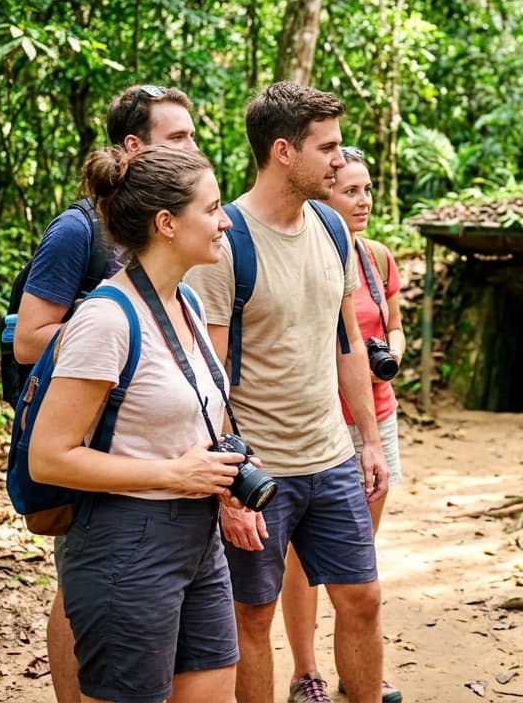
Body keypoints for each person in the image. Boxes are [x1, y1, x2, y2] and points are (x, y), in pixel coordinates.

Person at [184, 82, 390, 703]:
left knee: (363, 598)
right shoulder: (225, 245)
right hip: (261, 469)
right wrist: (229, 489)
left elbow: (347, 342)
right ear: (282, 151)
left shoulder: (331, 227)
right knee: (252, 617)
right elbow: (207, 376)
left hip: (330, 456)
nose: (339, 158)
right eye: (326, 147)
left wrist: (369, 441)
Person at [28, 144, 245, 703]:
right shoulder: (105, 319)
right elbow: (50, 456)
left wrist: (223, 475)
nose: (225, 221)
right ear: (167, 223)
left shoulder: (188, 304)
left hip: (198, 537)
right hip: (126, 543)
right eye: (213, 207)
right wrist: (175, 475)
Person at [13, 84, 199, 703]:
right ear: (133, 146)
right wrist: (121, 329)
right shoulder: (79, 231)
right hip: (89, 453)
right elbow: (29, 339)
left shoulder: (175, 252)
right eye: (178, 138)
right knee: (79, 592)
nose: (191, 146)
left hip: (152, 459)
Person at [278, 146, 405, 703]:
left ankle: (360, 669)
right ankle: (306, 672)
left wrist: (390, 355)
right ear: (323, 195)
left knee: (356, 560)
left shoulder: (376, 258)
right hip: (318, 426)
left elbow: (390, 327)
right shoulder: (306, 248)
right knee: (304, 558)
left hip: (375, 416)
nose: (363, 200)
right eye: (350, 189)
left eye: (368, 189)